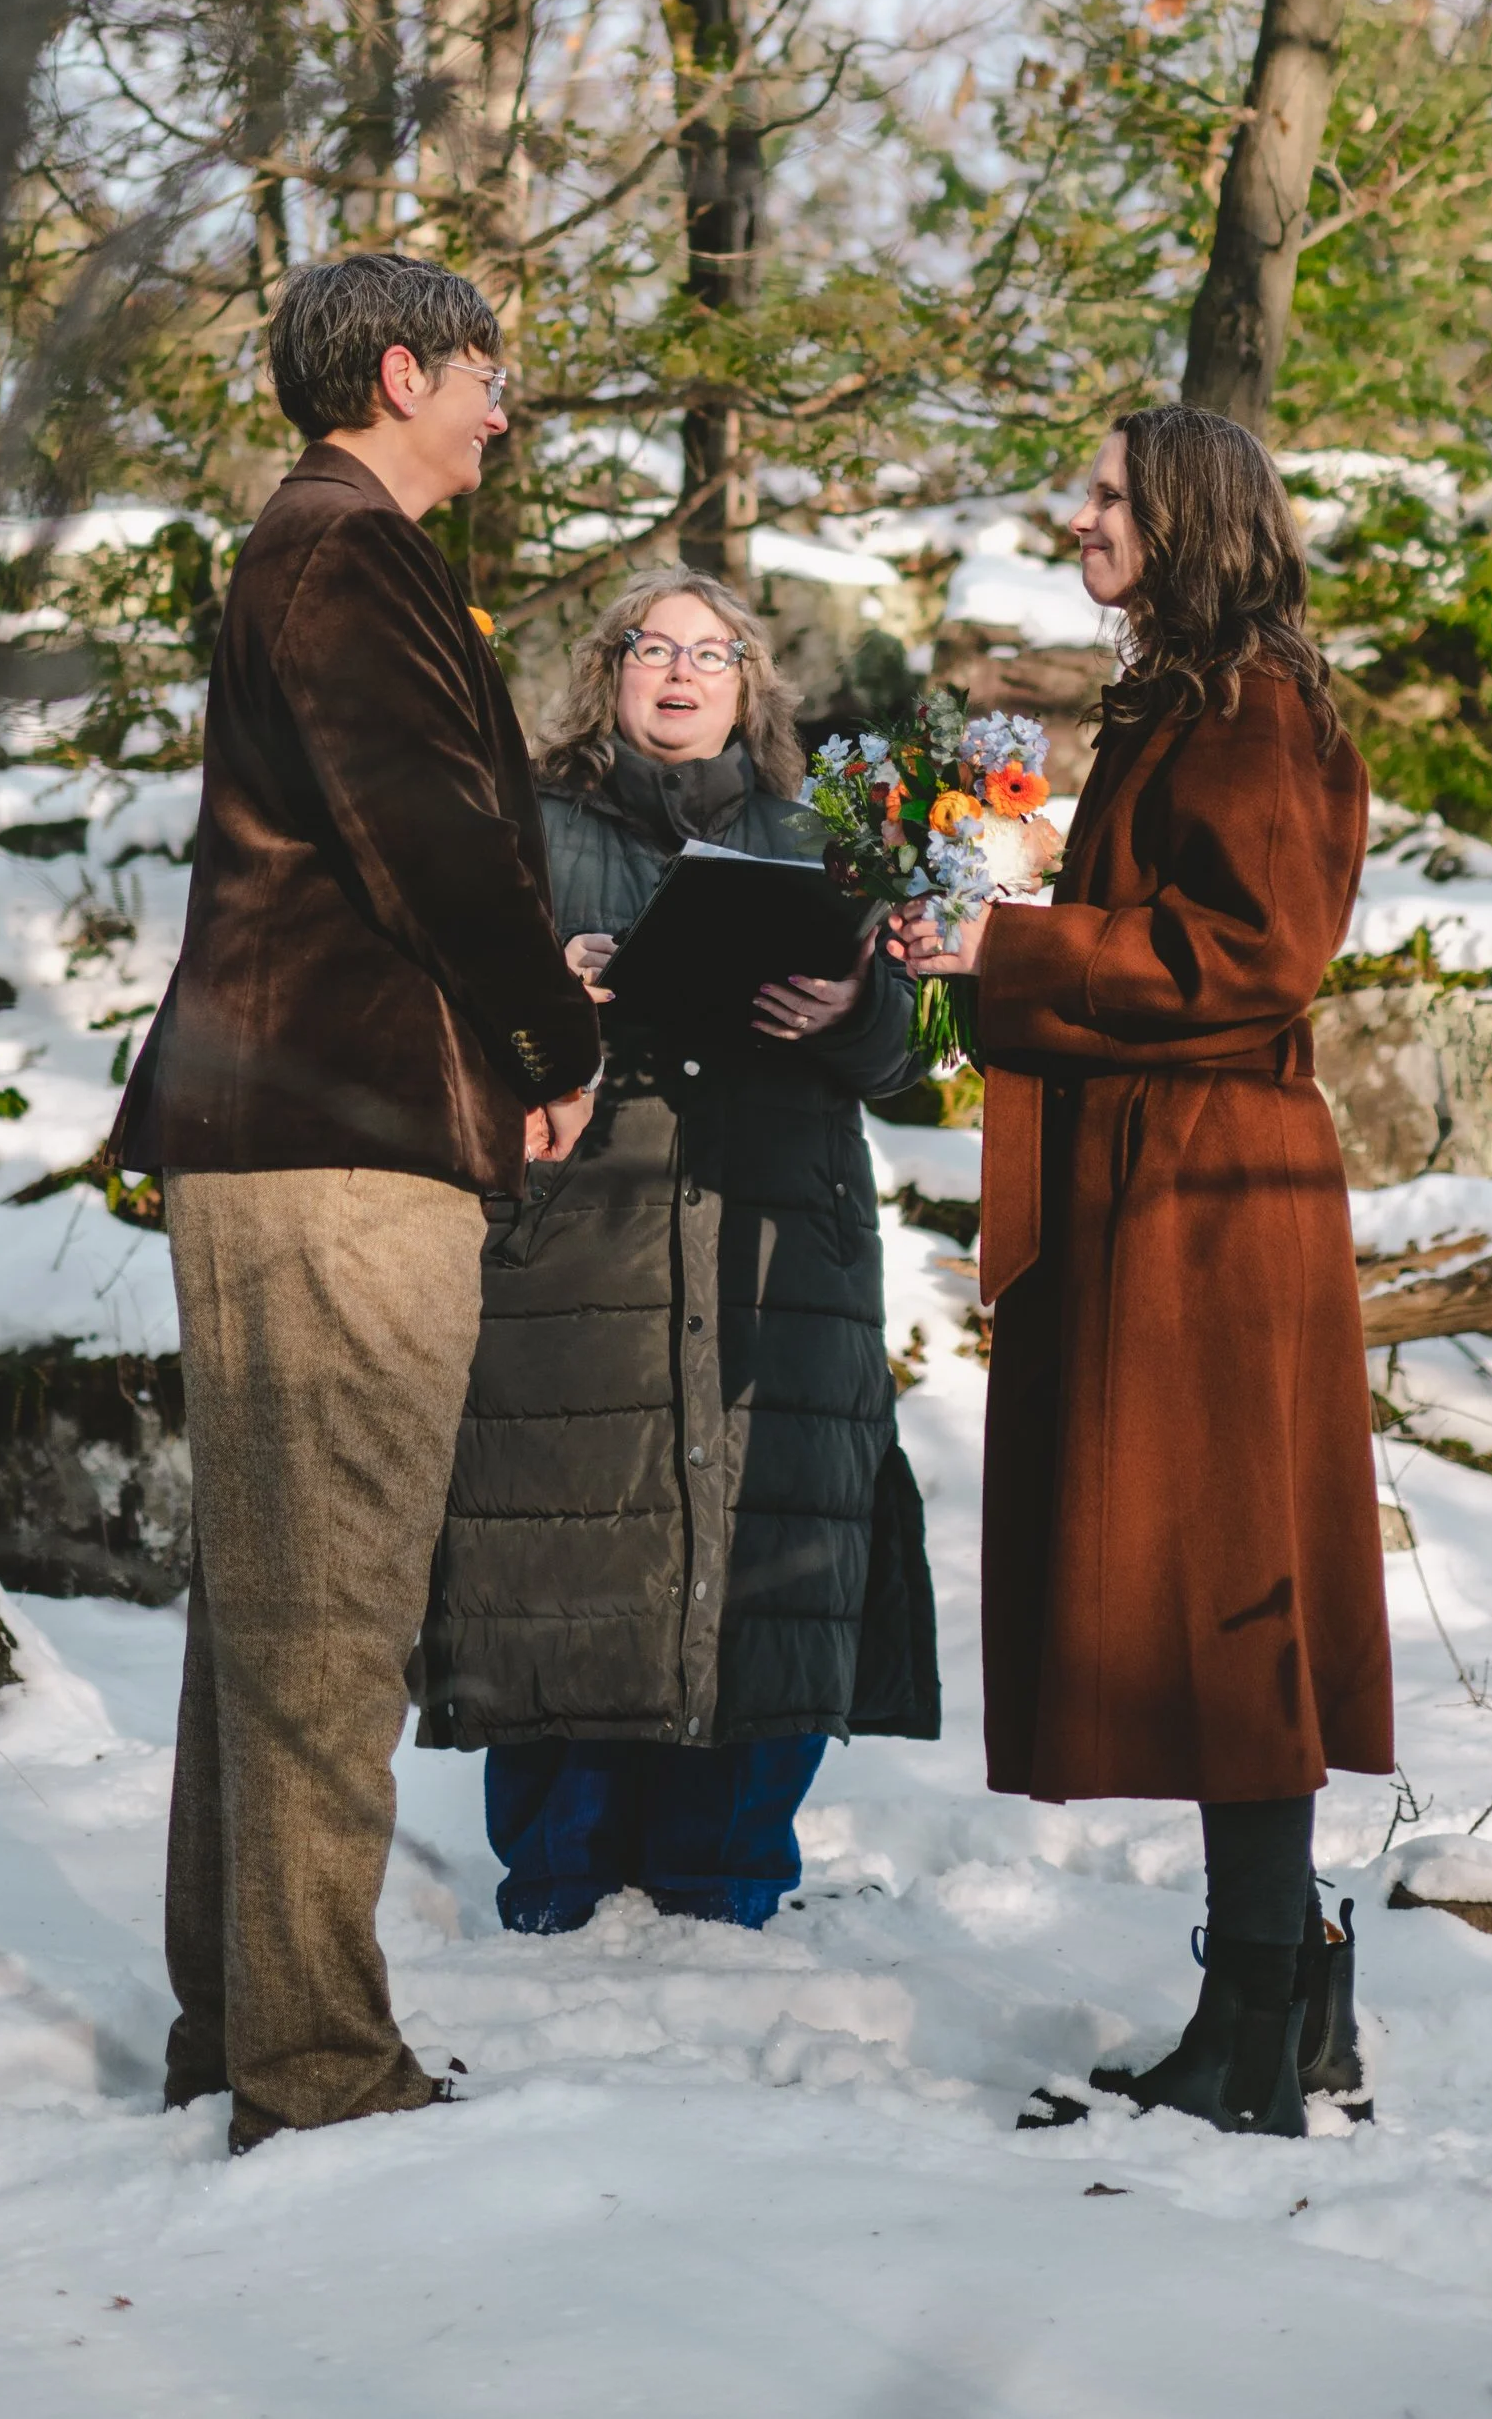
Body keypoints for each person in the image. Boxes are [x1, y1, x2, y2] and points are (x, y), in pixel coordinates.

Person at [117, 252, 601, 2149]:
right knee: (330, 1604)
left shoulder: (321, 549)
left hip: (316, 1115)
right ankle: (315, 2068)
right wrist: (556, 1040)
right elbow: (432, 846)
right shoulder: (347, 550)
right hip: (334, 1132)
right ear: (403, 373)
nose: (503, 407)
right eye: (488, 373)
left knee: (271, 1591)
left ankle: (242, 2023)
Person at [897, 404, 1392, 2140]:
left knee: (1229, 1599)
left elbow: (1248, 954)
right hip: (1165, 1189)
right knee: (1213, 1598)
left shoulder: (1255, 709)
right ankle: (1287, 1988)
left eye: (1110, 494)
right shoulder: (1191, 700)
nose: (1080, 513)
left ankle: (1265, 2015)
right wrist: (993, 924)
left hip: (1208, 1202)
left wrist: (1010, 941)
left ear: (1187, 519)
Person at [416, 563, 938, 1931]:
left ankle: (727, 1880)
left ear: (750, 687)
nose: (683, 668)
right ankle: (562, 1878)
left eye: (715, 651)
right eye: (654, 644)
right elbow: (445, 1014)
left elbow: (898, 1058)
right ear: (608, 669)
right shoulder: (520, 825)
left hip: (781, 1239)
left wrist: (846, 1002)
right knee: (572, 1541)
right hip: (578, 1242)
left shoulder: (819, 832)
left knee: (766, 1543)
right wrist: (549, 995)